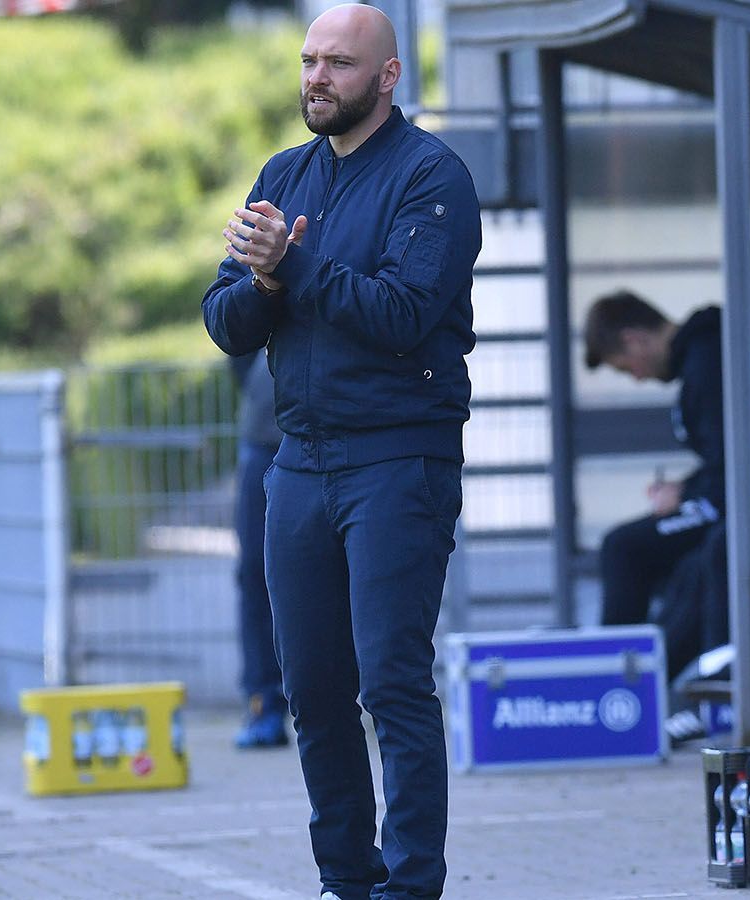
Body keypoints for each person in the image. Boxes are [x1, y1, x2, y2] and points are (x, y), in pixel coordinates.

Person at [200, 6, 480, 898]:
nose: (317, 78)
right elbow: (228, 322)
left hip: (399, 460)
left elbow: (403, 314)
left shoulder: (431, 176)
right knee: (313, 693)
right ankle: (344, 883)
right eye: (310, 61)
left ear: (388, 78)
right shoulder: (285, 174)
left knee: (393, 684)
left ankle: (410, 887)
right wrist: (263, 279)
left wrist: (296, 268)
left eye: (339, 64)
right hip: (301, 463)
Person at [585, 291, 750, 657]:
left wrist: (684, 497)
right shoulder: (707, 354)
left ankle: (616, 675)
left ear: (634, 339)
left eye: (626, 367)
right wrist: (685, 489)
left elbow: (737, 465)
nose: (637, 379)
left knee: (623, 548)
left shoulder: (708, 363)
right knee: (680, 564)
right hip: (747, 491)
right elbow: (730, 454)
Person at [228, 347, 287, 749]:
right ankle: (263, 702)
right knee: (256, 575)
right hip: (263, 438)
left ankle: (357, 698)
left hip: (335, 439)